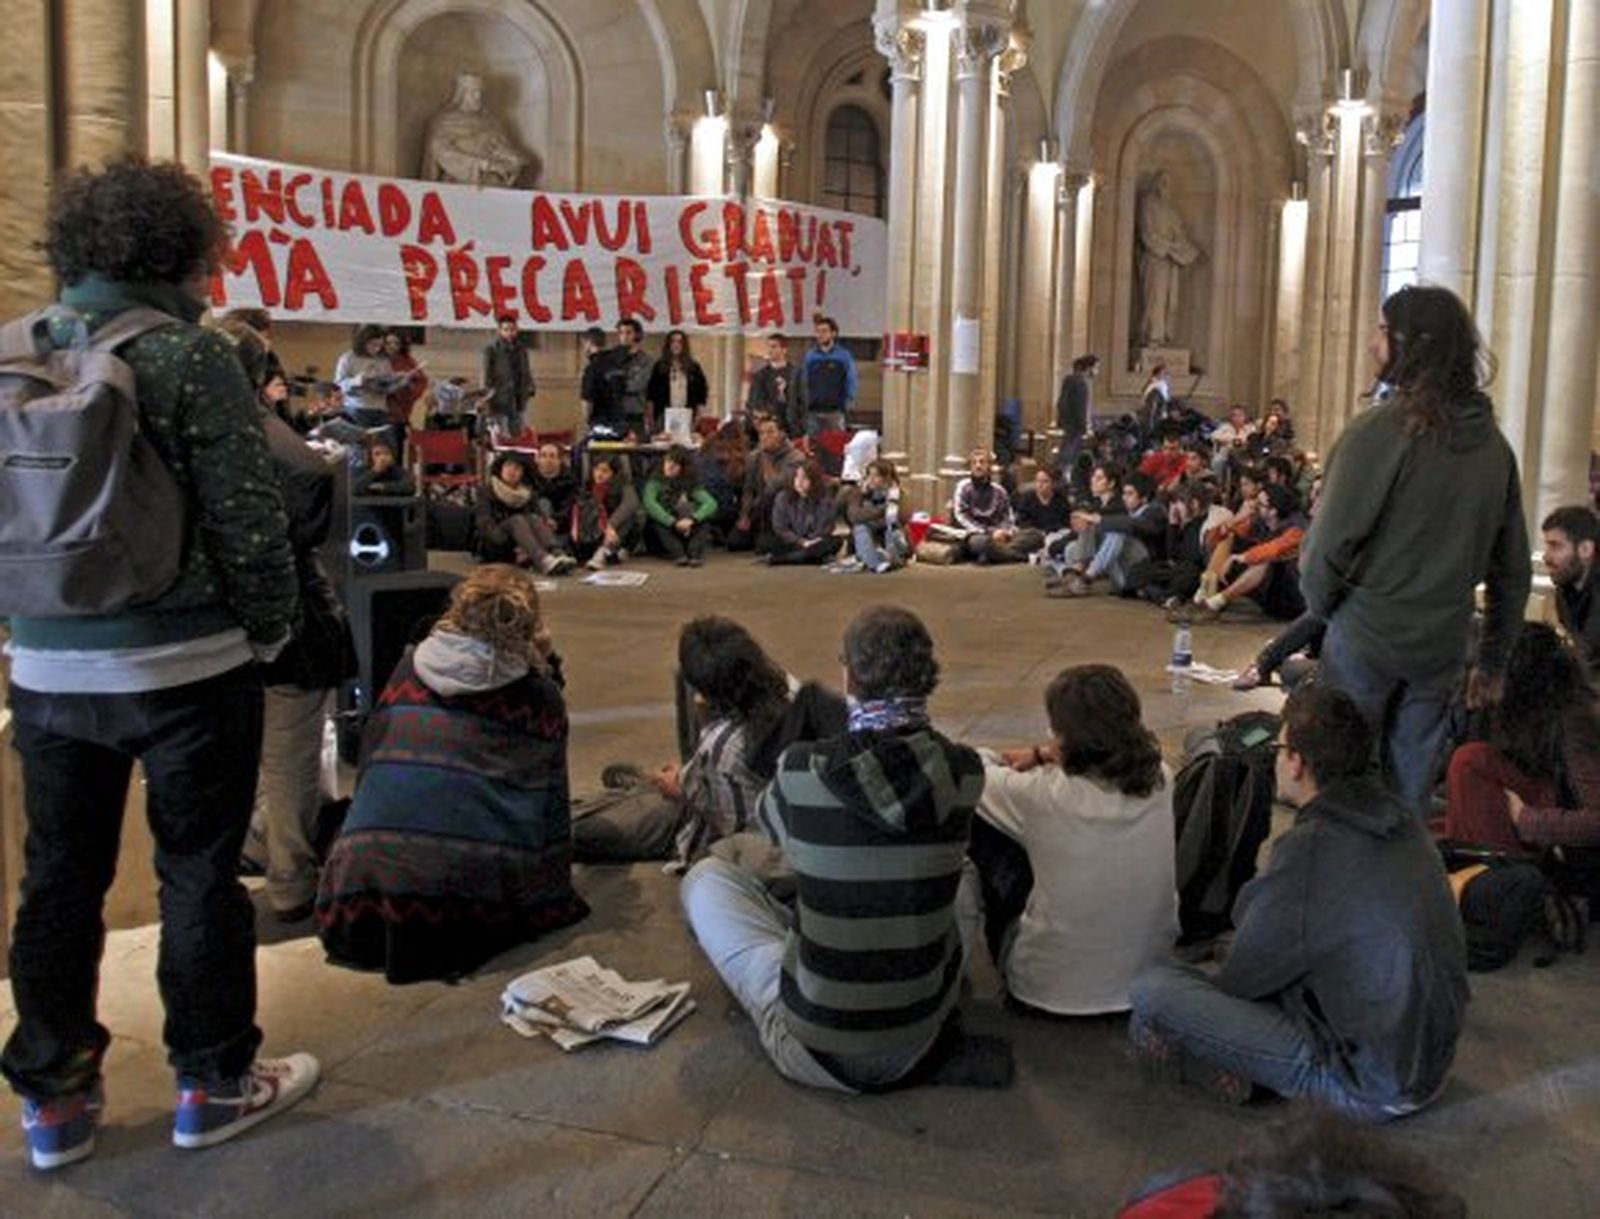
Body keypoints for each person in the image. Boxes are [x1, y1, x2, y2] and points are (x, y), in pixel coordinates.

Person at [2, 158, 313, 1169]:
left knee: (57, 877)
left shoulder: (17, 349)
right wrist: (270, 632)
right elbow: (250, 518)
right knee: (198, 872)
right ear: (182, 249)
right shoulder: (190, 356)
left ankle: (54, 1101)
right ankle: (214, 1081)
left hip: (48, 670)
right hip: (187, 666)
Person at [1128, 684, 1469, 1121]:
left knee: (1153, 990)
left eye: (1279, 747)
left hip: (1368, 1086)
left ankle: (1230, 1067)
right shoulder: (1402, 819)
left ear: (1297, 762)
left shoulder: (1313, 847)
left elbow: (1243, 979)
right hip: (1431, 1060)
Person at [680, 606, 983, 1092]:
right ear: (928, 678)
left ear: (849, 678)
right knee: (962, 869)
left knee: (705, 880)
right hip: (922, 1040)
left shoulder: (802, 769)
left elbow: (773, 837)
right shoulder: (966, 771)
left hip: (816, 1051)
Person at [1300, 285, 1532, 812]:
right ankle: (1400, 864)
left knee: (1340, 785)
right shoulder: (1495, 448)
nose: (1372, 344)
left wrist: (1327, 610)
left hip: (1367, 635)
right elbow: (1513, 570)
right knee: (1409, 797)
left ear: (1411, 344)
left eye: (1383, 331)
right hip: (1441, 645)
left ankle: (1341, 863)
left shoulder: (1380, 432)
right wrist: (1493, 659)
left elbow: (1326, 545)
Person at [317, 566, 588, 983]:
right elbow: (549, 806)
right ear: (531, 627)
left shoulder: (407, 669)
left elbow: (371, 765)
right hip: (468, 908)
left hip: (356, 905)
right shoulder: (537, 698)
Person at [222, 324, 359, 925]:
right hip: (286, 617)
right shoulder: (253, 428)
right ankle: (290, 880)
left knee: (258, 757)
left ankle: (268, 864)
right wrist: (285, 542)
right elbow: (311, 475)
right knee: (286, 759)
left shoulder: (200, 427)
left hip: (237, 619)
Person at [964, 666, 1176, 1015]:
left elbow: (968, 769)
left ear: (1062, 735)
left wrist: (1037, 754)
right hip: (1148, 980)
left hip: (1045, 991)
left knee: (983, 826)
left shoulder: (1038, 793)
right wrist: (1049, 753)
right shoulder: (1160, 779)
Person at [1444, 623, 1600, 853]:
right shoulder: (1506, 712)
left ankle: (1491, 868)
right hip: (1539, 818)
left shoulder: (1574, 719)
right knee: (1469, 765)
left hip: (1561, 845)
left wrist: (1526, 818)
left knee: (1470, 762)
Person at [1194, 483, 1306, 621]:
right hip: (1266, 589)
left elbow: (1274, 549)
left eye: (1260, 504)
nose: (1255, 506)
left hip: (1290, 596)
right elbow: (1211, 540)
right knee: (1228, 538)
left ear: (1273, 511)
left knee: (1266, 560)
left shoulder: (1297, 526)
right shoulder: (1260, 521)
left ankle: (1216, 603)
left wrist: (1239, 557)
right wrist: (1238, 517)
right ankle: (1206, 591)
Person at [1051, 472, 1167, 597]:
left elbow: (1135, 524)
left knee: (1116, 532)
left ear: (1144, 498)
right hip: (1120, 574)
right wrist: (1089, 524)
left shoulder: (1155, 511)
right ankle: (1076, 573)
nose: (1124, 498)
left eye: (1130, 494)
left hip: (1141, 575)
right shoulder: (1127, 511)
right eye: (1124, 493)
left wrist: (1097, 519)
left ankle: (1085, 579)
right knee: (1072, 546)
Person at [478, 452, 577, 575]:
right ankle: (543, 560)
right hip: (497, 542)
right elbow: (485, 524)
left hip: (525, 544)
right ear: (500, 469)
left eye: (517, 468)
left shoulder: (527, 493)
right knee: (517, 520)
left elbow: (538, 517)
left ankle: (557, 553)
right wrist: (516, 543)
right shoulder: (487, 492)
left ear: (522, 473)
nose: (512, 471)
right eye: (508, 466)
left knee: (534, 518)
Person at [729, 416, 805, 553]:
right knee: (735, 542)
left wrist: (765, 457)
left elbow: (774, 485)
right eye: (762, 433)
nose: (765, 436)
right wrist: (744, 515)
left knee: (771, 495)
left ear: (781, 434)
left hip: (783, 510)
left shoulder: (795, 457)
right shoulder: (753, 457)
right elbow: (748, 489)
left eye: (770, 432)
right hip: (759, 508)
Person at [1542, 505, 1600, 674]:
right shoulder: (1566, 587)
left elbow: (1588, 653)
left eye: (1555, 546)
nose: (1546, 557)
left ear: (1586, 549)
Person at [643, 444, 718, 566]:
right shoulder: (655, 480)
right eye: (668, 461)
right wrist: (672, 522)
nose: (669, 467)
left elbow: (711, 503)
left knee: (704, 520)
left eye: (675, 464)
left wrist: (693, 519)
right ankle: (679, 554)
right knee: (657, 521)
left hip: (685, 523)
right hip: (665, 527)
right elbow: (650, 504)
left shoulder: (690, 482)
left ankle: (694, 554)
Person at [953, 448, 1023, 565]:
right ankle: (1018, 556)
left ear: (989, 466)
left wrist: (1004, 532)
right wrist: (989, 533)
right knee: (981, 543)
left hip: (1000, 535)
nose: (978, 466)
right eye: (974, 463)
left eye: (982, 462)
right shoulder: (963, 486)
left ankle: (993, 554)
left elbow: (1008, 518)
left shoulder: (999, 490)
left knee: (1034, 536)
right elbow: (961, 516)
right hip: (976, 534)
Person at [840, 458, 907, 573]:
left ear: (886, 478)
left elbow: (898, 518)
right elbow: (854, 516)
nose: (871, 479)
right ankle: (875, 564)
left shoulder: (896, 494)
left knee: (891, 526)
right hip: (867, 534)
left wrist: (869, 512)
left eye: (876, 476)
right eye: (869, 475)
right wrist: (881, 509)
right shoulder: (858, 493)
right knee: (860, 527)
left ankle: (892, 559)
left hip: (889, 536)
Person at [572, 456, 640, 569]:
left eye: (605, 471)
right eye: (596, 469)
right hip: (593, 533)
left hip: (614, 532)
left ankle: (605, 550)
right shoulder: (586, 488)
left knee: (630, 517)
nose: (599, 474)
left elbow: (631, 503)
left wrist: (610, 525)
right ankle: (610, 552)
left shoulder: (623, 486)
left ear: (613, 473)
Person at [767, 459, 839, 566]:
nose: (799, 482)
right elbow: (780, 528)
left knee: (835, 542)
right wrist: (801, 541)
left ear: (814, 480)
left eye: (804, 478)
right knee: (769, 542)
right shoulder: (783, 497)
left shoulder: (824, 498)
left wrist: (812, 541)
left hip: (815, 542)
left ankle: (791, 558)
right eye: (796, 477)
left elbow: (826, 526)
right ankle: (809, 558)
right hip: (793, 542)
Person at [797, 315, 856, 435]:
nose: (820, 335)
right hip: (813, 411)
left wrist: (848, 402)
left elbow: (851, 380)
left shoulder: (844, 356)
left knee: (836, 442)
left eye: (824, 331)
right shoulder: (810, 356)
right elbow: (803, 381)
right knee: (814, 443)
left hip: (835, 412)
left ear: (833, 333)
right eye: (818, 332)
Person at [647, 329, 709, 441]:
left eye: (680, 342)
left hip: (687, 413)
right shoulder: (659, 366)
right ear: (668, 345)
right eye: (673, 341)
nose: (676, 345)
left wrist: (699, 414)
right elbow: (651, 393)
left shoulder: (693, 367)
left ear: (684, 346)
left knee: (684, 444)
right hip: (664, 414)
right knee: (664, 442)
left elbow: (702, 392)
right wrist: (650, 418)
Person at [481, 313, 534, 439]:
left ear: (517, 330)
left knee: (518, 433)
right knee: (501, 434)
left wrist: (530, 387)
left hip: (519, 396)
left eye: (512, 329)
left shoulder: (521, 349)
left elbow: (526, 371)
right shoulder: (492, 349)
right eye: (506, 330)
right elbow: (486, 374)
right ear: (499, 331)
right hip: (499, 398)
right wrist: (487, 395)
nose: (510, 333)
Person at [333, 324, 395, 431]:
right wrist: (356, 381)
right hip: (356, 408)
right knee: (359, 440)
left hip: (380, 408)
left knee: (382, 440)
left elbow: (389, 383)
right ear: (363, 342)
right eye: (373, 344)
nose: (377, 349)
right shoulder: (348, 358)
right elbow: (337, 386)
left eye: (380, 345)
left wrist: (397, 382)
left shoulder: (383, 360)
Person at [746, 333, 800, 437]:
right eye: (769, 347)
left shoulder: (796, 373)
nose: (770, 350)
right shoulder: (760, 375)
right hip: (768, 427)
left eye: (774, 346)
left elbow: (802, 400)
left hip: (791, 427)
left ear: (784, 350)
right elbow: (753, 402)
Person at [1012, 465, 1071, 559]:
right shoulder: (1027, 498)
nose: (1040, 485)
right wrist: (1037, 532)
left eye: (1045, 481)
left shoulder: (1060, 500)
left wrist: (1047, 531)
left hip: (1054, 534)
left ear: (1053, 483)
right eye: (1038, 481)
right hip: (1033, 534)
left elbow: (1064, 522)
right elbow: (1021, 521)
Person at [382, 329, 426, 451]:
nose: (392, 346)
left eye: (396, 343)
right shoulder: (376, 359)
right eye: (388, 343)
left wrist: (407, 384)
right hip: (377, 409)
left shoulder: (408, 361)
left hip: (399, 413)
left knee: (396, 449)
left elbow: (420, 383)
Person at [1055, 354, 1099, 469]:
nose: (1097, 371)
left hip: (1067, 422)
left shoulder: (1069, 379)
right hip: (1075, 424)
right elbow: (1081, 407)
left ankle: (1061, 470)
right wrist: (1084, 426)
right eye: (1096, 367)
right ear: (1089, 368)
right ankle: (1064, 472)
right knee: (1070, 452)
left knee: (1066, 448)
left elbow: (1061, 402)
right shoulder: (1081, 383)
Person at [351, 439, 416, 497]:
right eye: (377, 454)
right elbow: (354, 488)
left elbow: (409, 487)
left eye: (386, 453)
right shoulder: (361, 470)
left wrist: (383, 487)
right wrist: (375, 471)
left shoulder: (399, 472)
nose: (382, 458)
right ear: (370, 457)